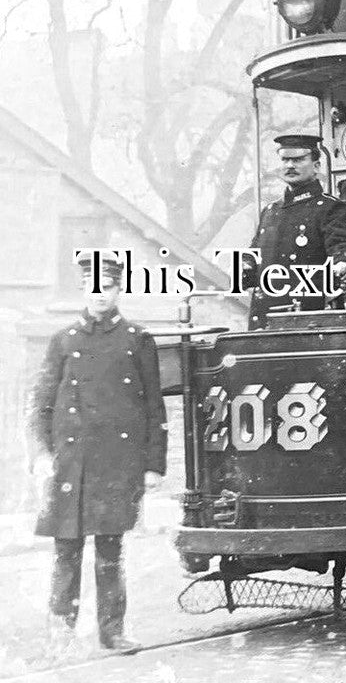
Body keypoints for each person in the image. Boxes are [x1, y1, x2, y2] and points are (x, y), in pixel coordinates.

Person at [27, 253, 167, 654]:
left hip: (115, 461)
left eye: (107, 286)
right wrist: (40, 454)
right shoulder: (64, 340)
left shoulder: (137, 340)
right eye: (92, 287)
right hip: (70, 463)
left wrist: (153, 465)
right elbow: (41, 404)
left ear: (118, 289)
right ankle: (61, 634)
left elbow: (154, 406)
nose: (99, 294)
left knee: (110, 551)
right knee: (65, 551)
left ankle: (112, 631)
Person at [243, 134, 346, 329]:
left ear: (316, 165)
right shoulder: (271, 211)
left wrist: (344, 265)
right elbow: (255, 253)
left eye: (298, 160)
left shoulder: (331, 208)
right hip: (265, 319)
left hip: (308, 319)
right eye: (285, 159)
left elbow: (343, 246)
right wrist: (244, 267)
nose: (290, 165)